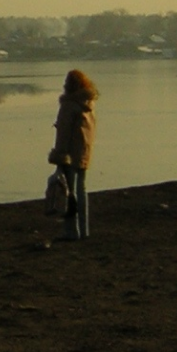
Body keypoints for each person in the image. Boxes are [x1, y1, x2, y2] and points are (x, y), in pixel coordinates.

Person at [48, 69, 98, 241]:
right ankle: (84, 230)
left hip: (69, 154)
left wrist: (59, 156)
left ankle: (71, 231)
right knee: (81, 191)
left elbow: (63, 133)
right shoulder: (88, 104)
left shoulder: (69, 105)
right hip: (84, 152)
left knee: (68, 193)